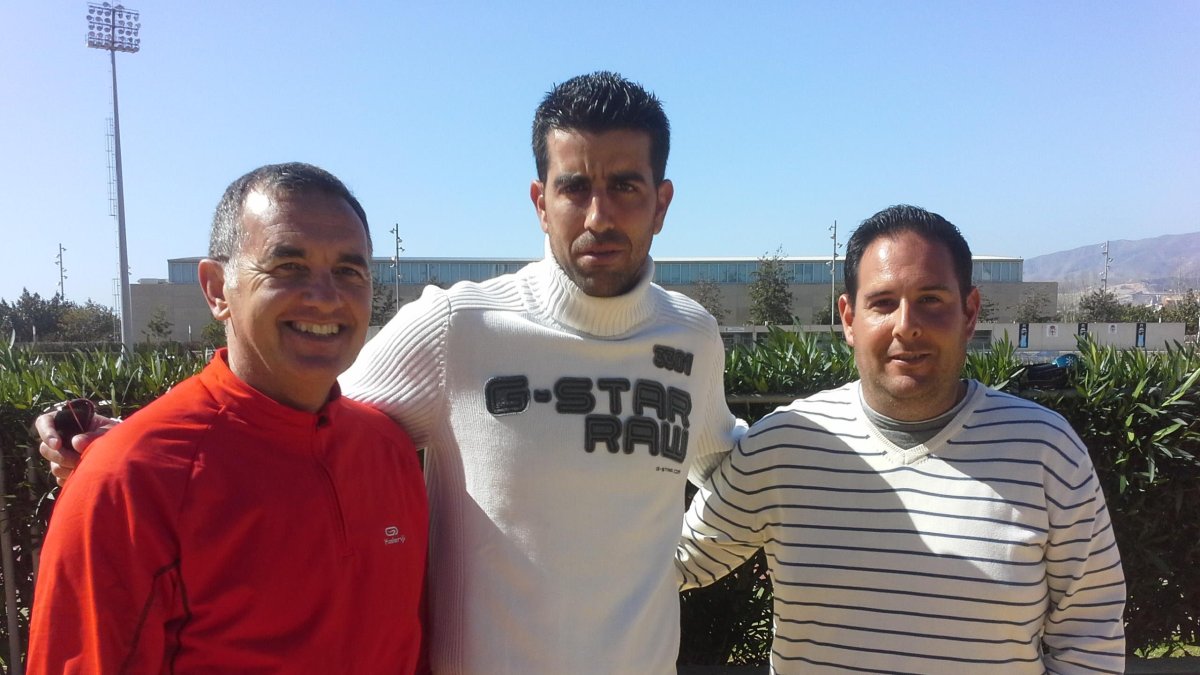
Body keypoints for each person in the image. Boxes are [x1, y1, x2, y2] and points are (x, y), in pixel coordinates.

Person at [39, 73, 745, 674]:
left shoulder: (693, 334)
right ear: (540, 201)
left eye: (625, 185)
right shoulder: (458, 326)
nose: (599, 213)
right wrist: (129, 450)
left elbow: (729, 460)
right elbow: (289, 411)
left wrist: (680, 559)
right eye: (574, 186)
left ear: (662, 200)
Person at [676, 205, 1126, 674]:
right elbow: (676, 562)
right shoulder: (785, 444)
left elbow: (1089, 633)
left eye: (931, 299)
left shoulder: (1046, 450)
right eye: (883, 302)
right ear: (849, 319)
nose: (906, 324)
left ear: (970, 313)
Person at [28, 163, 429, 674]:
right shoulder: (129, 482)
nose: (326, 296)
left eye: (349, 271)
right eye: (288, 267)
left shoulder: (388, 450)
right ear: (217, 289)